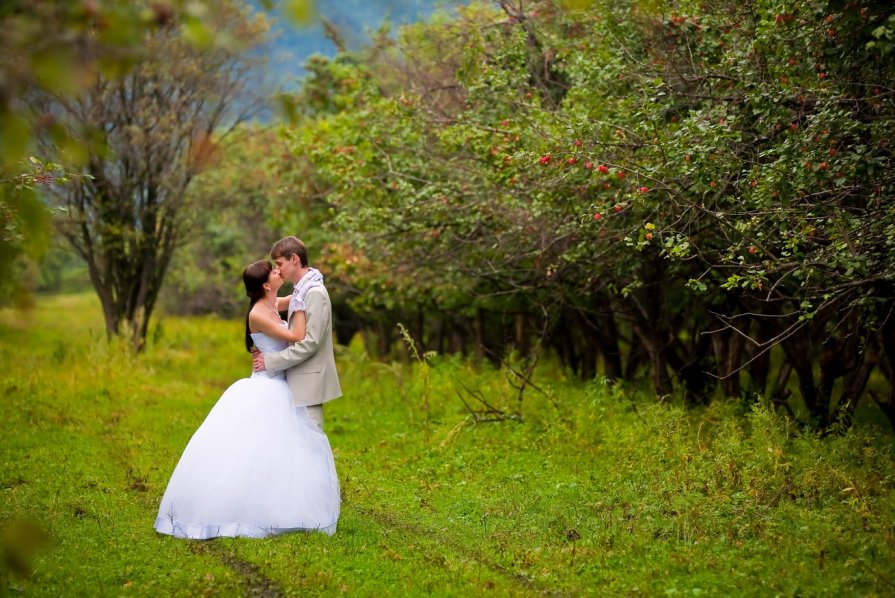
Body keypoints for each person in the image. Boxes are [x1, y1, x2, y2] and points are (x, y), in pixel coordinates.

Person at [154, 260, 340, 539]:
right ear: (266, 284)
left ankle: (286, 504)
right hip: (267, 387)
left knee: (284, 450)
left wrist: (309, 281)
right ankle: (247, 509)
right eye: (276, 272)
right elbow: (297, 334)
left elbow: (299, 294)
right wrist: (300, 303)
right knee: (256, 449)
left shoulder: (271, 304)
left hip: (282, 385)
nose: (280, 273)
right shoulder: (258, 313)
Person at [252, 236, 341, 431]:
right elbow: (270, 305)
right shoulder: (301, 291)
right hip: (295, 380)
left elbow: (310, 343)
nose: (279, 270)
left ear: (294, 259)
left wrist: (270, 361)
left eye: (279, 264)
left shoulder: (314, 293)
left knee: (311, 441)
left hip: (309, 382)